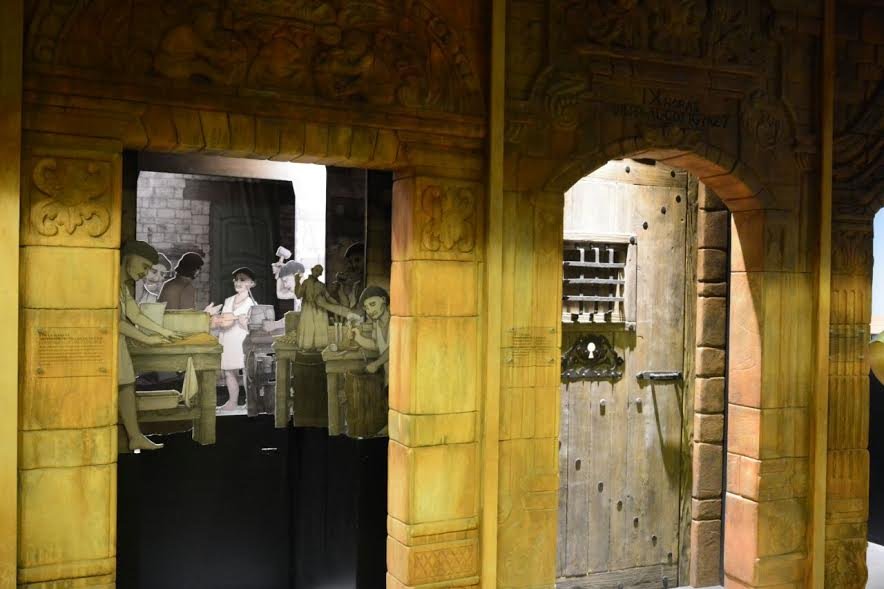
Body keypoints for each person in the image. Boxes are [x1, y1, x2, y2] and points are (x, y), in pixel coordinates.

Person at [118, 241, 184, 450]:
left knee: (126, 386)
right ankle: (129, 437)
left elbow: (135, 315)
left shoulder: (121, 286)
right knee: (120, 388)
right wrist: (146, 339)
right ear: (128, 256)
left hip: (117, 344)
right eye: (145, 266)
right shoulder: (107, 281)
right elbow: (115, 322)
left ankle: (134, 437)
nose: (145, 273)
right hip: (104, 345)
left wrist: (164, 332)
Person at [209, 267, 257, 411]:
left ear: (252, 283)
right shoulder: (228, 300)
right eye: (236, 279)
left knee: (246, 372)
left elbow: (254, 328)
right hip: (228, 340)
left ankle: (250, 402)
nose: (238, 282)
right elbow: (223, 321)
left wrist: (244, 323)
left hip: (242, 341)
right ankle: (232, 401)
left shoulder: (252, 304)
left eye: (242, 280)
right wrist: (217, 321)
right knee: (229, 372)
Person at [349, 286, 390, 382]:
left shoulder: (396, 321)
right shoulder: (377, 324)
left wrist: (376, 364)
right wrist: (358, 338)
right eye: (366, 308)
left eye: (372, 304)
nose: (369, 311)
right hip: (388, 377)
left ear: (383, 300)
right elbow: (376, 345)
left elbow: (395, 347)